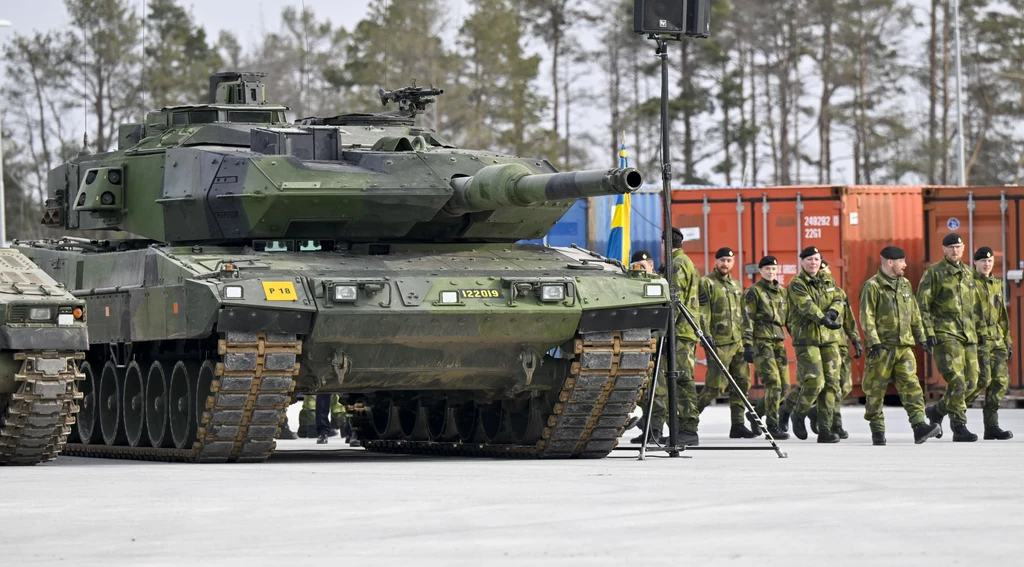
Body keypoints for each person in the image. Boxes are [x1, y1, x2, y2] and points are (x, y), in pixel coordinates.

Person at [859, 246, 942, 445]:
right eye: (901, 261)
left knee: (912, 387)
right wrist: (874, 342)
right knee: (875, 391)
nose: (905, 265)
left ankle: (919, 426)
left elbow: (914, 314)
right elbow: (866, 317)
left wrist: (921, 338)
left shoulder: (904, 284)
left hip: (904, 347)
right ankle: (877, 430)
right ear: (890, 262)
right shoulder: (872, 286)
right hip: (882, 348)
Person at [638, 228, 702, 447]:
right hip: (684, 331)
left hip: (679, 332)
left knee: (682, 381)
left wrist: (663, 332)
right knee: (678, 380)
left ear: (664, 243)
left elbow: (675, 302)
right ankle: (680, 428)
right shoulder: (686, 262)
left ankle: (688, 429)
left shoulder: (677, 265)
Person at [918, 233, 980, 442]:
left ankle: (937, 411)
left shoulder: (968, 273)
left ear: (964, 249)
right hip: (945, 333)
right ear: (944, 249)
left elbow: (974, 307)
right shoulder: (934, 273)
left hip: (968, 334)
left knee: (973, 382)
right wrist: (928, 332)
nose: (955, 251)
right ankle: (959, 427)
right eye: (951, 247)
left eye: (958, 247)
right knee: (958, 381)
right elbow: (922, 306)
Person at [780, 246, 844, 443]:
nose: (813, 263)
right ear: (802, 262)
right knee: (815, 381)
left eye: (816, 259)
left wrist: (833, 312)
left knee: (832, 384)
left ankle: (824, 429)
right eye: (809, 260)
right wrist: (824, 318)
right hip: (806, 339)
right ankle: (798, 414)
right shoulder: (797, 283)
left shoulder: (828, 280)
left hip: (829, 339)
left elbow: (839, 297)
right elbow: (806, 305)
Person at [694, 247, 754, 438]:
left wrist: (748, 342)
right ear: (715, 261)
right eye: (722, 260)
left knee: (742, 383)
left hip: (737, 343)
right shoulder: (707, 283)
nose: (725, 264)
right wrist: (706, 335)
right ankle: (686, 421)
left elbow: (743, 316)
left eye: (729, 261)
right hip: (718, 343)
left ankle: (737, 424)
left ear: (733, 262)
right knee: (715, 386)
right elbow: (702, 311)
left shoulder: (736, 286)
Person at [808, 260, 862, 439]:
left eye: (826, 269)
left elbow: (849, 319)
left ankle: (818, 411)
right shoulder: (816, 295)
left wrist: (855, 340)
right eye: (821, 270)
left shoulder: (839, 293)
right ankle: (835, 424)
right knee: (832, 388)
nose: (824, 273)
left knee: (844, 386)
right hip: (826, 345)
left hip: (841, 345)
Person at [965, 247, 1014, 440]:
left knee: (1000, 383)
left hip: (997, 340)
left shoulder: (996, 284)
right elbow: (966, 314)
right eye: (983, 261)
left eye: (990, 261)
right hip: (979, 340)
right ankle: (952, 411)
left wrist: (1007, 340)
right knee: (980, 381)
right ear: (975, 263)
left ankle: (991, 426)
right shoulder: (968, 284)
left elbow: (1002, 316)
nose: (987, 264)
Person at [742, 255, 790, 439]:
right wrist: (747, 344)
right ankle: (772, 425)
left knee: (785, 386)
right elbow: (747, 319)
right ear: (760, 271)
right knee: (774, 383)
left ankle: (755, 415)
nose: (771, 272)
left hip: (778, 341)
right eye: (767, 269)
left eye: (773, 268)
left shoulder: (782, 292)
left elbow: (788, 319)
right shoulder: (754, 292)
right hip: (761, 342)